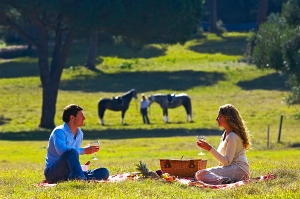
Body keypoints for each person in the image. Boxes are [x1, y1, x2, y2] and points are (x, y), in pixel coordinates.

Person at [44, 104, 109, 183]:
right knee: (71, 152)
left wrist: (84, 150)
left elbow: (73, 156)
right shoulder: (59, 131)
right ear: (72, 117)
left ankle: (78, 177)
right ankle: (80, 179)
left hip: (69, 172)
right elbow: (62, 150)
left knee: (104, 172)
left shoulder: (80, 134)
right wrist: (84, 150)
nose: (84, 118)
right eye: (81, 116)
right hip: (52, 173)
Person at [195, 104, 251, 184]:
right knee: (200, 173)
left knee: (200, 175)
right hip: (231, 168)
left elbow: (227, 162)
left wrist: (209, 148)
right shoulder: (225, 134)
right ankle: (225, 180)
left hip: (240, 170)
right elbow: (223, 162)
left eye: (219, 117)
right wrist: (217, 169)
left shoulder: (232, 136)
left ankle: (224, 181)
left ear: (227, 118)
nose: (216, 119)